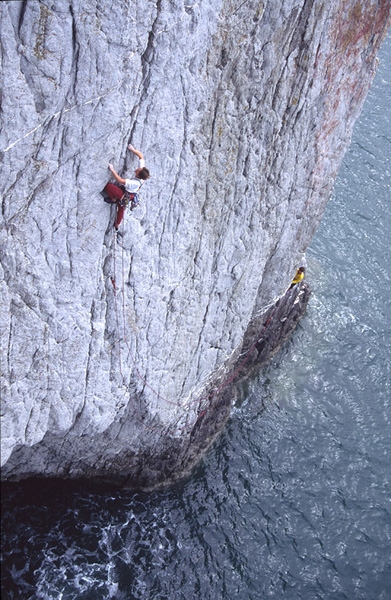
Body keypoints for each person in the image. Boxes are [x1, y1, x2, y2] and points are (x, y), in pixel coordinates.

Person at [104, 144, 150, 230]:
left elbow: (120, 180)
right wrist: (132, 149)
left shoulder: (134, 183)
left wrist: (112, 169)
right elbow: (141, 156)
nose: (137, 169)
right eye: (138, 169)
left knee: (108, 187)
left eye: (137, 171)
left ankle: (117, 222)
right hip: (129, 193)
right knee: (121, 207)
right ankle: (115, 202)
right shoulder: (142, 173)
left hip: (125, 194)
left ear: (139, 175)